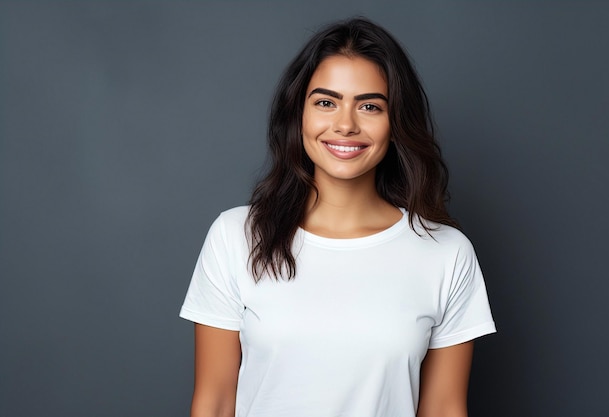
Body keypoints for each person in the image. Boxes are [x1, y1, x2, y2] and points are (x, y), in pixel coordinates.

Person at [180, 17, 495, 417]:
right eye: (326, 102)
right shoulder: (236, 236)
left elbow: (445, 408)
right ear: (299, 114)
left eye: (369, 106)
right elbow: (214, 401)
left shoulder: (446, 253)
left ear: (396, 122)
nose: (345, 125)